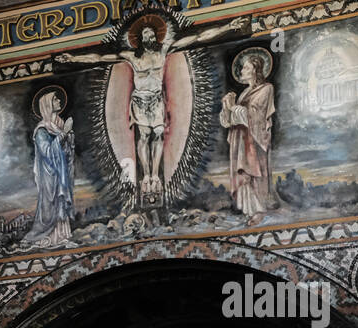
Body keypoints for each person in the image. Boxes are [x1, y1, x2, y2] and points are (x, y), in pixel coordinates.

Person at [58, 14, 249, 197]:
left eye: (151, 34)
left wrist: (228, 27)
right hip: (140, 101)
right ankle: (146, 174)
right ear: (139, 39)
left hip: (157, 100)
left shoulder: (163, 51)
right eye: (145, 35)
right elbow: (99, 58)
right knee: (144, 136)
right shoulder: (132, 57)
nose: (148, 37)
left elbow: (197, 38)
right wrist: (73, 59)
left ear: (156, 37)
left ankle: (155, 174)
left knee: (157, 135)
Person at [220, 50, 276, 225]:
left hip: (254, 140)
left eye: (245, 68)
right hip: (240, 139)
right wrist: (226, 108)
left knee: (253, 173)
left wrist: (234, 107)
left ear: (255, 70)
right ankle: (248, 210)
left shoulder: (267, 89)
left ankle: (258, 210)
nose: (241, 71)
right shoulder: (244, 93)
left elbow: (256, 116)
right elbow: (228, 122)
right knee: (243, 174)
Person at [22, 88, 75, 246]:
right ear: (46, 105)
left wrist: (69, 137)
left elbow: (66, 152)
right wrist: (63, 134)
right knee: (49, 205)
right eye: (55, 99)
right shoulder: (42, 130)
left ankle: (62, 235)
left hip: (61, 173)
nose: (59, 101)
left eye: (58, 99)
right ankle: (43, 235)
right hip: (49, 175)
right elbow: (47, 152)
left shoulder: (58, 124)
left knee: (60, 203)